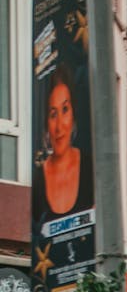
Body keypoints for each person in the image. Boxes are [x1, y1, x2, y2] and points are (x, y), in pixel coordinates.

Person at [32, 63, 93, 220]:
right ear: (46, 123)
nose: (59, 126)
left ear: (73, 114)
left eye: (65, 110)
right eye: (53, 114)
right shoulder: (37, 180)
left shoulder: (91, 168)